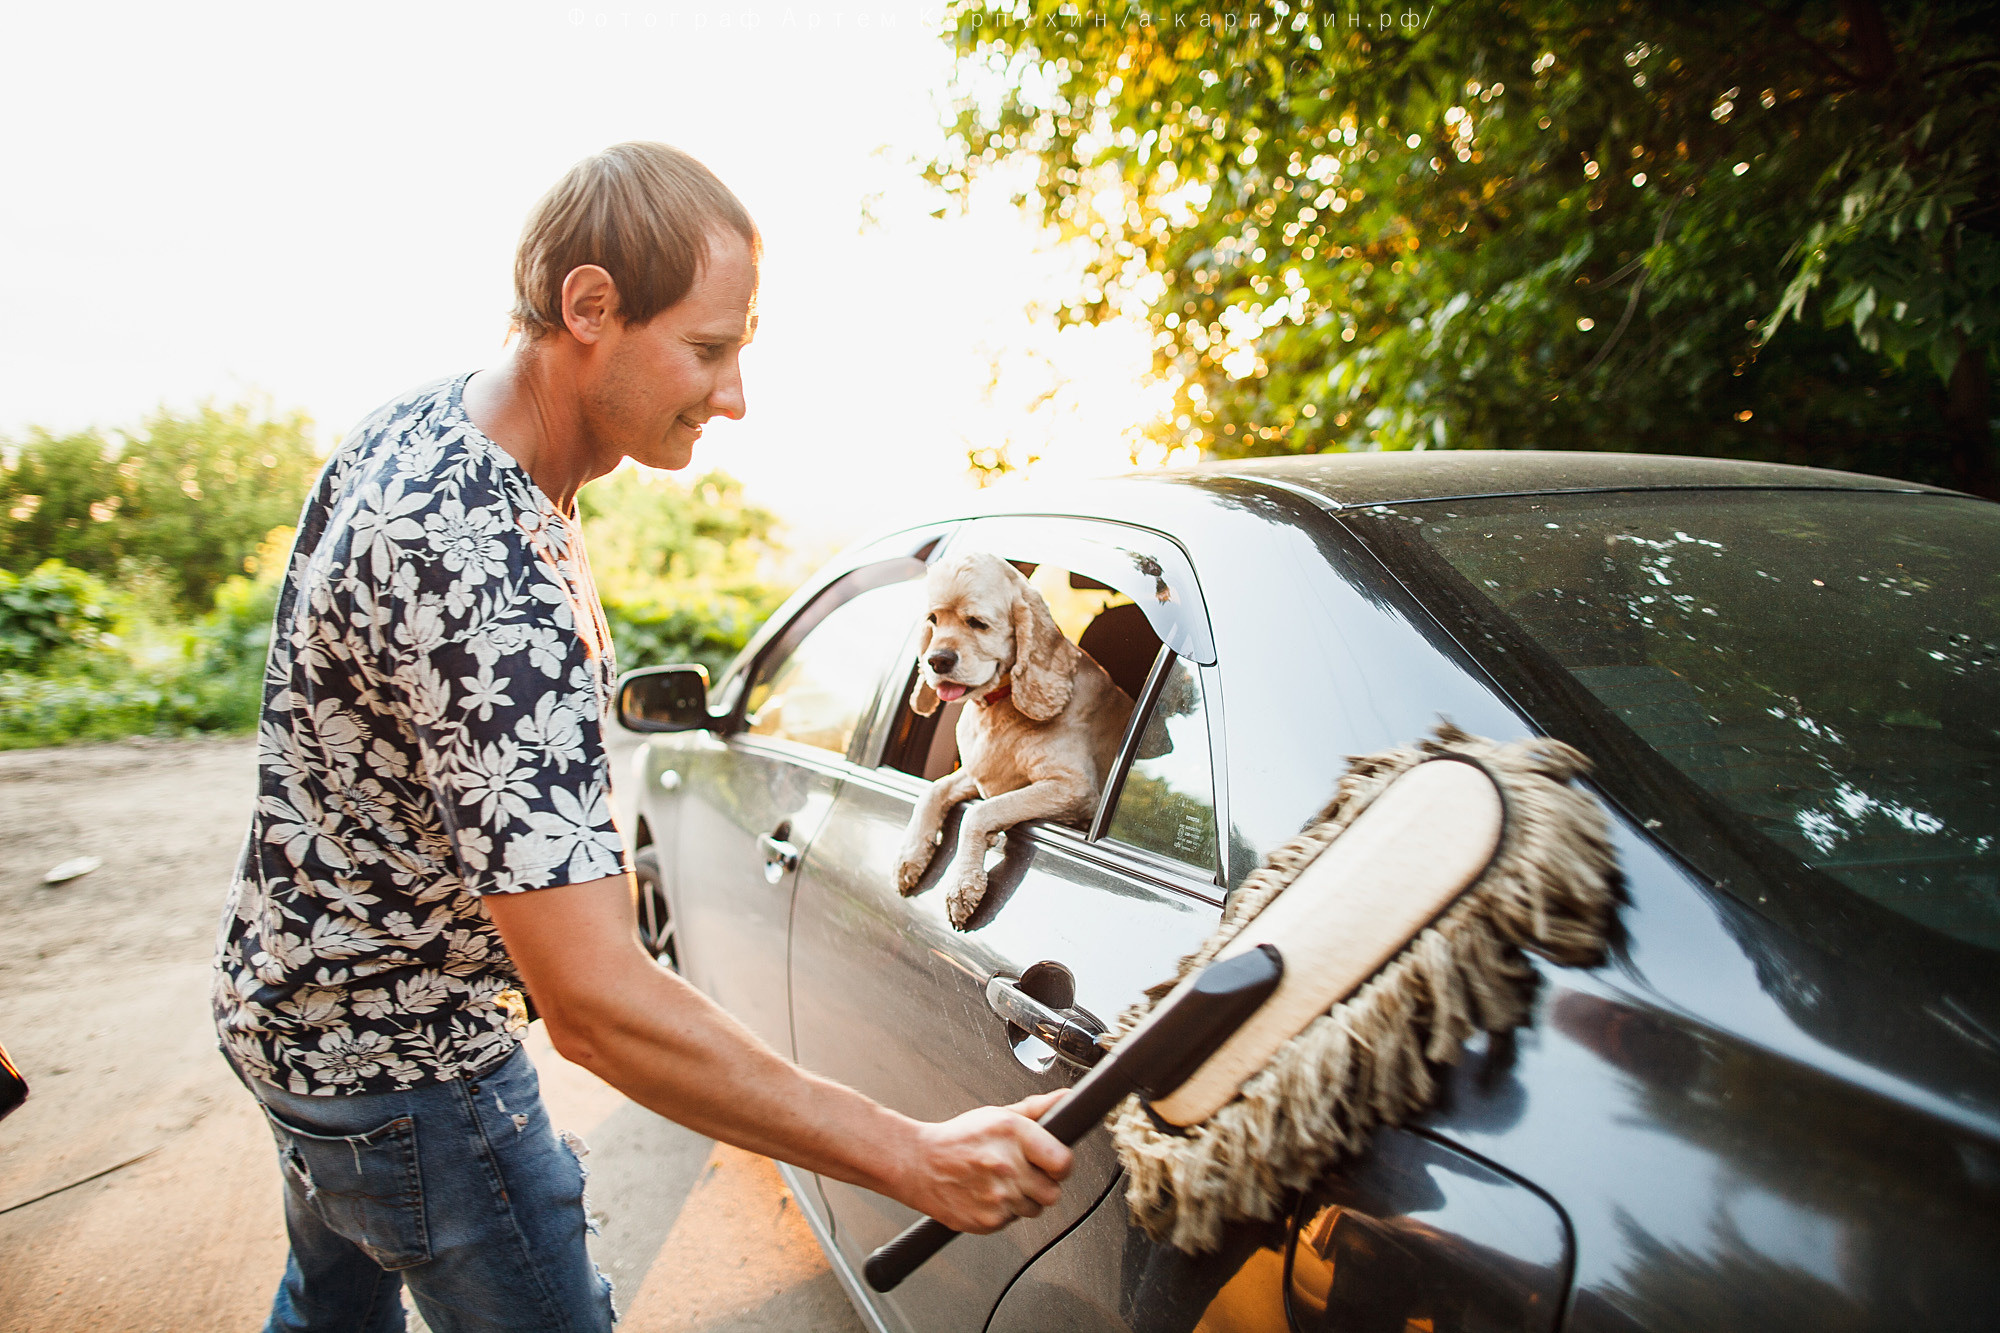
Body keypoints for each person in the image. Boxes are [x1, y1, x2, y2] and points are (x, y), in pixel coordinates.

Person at [212, 142, 1072, 1333]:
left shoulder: (414, 428)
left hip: (288, 1016)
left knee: (326, 1309)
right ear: (589, 308)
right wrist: (907, 1153)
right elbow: (599, 1002)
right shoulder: (491, 573)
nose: (731, 397)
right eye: (707, 349)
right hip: (413, 1079)